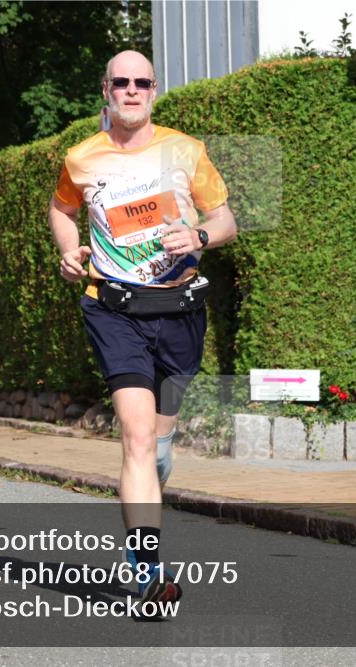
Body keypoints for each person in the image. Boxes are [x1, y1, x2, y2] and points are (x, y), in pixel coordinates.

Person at [48, 50, 237, 608]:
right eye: (121, 82)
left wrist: (200, 237)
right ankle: (150, 574)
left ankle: (151, 491)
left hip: (179, 311)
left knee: (157, 448)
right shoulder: (81, 158)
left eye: (142, 82)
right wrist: (68, 250)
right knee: (134, 436)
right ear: (105, 89)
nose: (131, 90)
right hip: (114, 309)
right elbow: (61, 209)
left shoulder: (185, 150)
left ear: (154, 90)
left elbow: (224, 218)